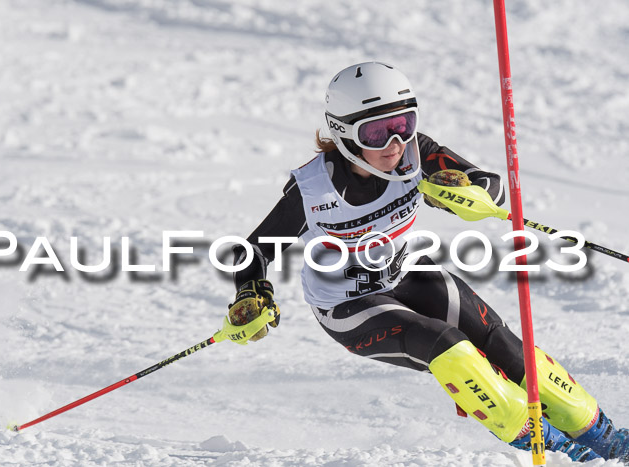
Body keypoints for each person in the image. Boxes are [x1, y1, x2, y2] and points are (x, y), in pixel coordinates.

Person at [225, 61, 628, 463]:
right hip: (348, 305)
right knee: (450, 349)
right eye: (377, 132)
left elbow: (489, 184)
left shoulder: (417, 155)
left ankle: (609, 441)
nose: (396, 141)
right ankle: (560, 451)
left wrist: (464, 192)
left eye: (404, 122)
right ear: (344, 133)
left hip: (406, 275)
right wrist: (252, 292)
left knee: (506, 348)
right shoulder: (314, 189)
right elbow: (253, 251)